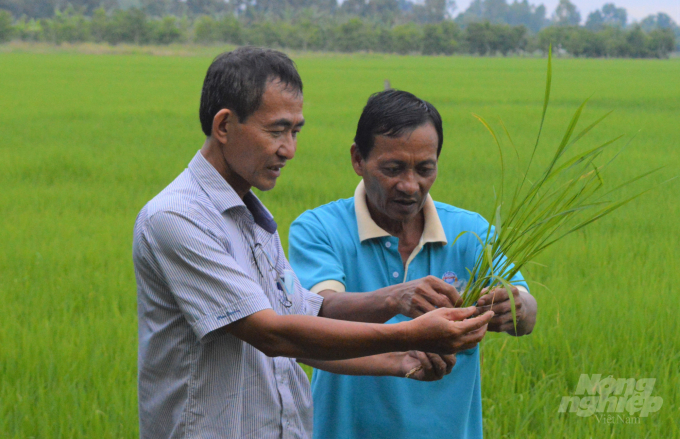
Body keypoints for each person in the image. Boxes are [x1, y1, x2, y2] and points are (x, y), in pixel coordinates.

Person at [132, 47, 495, 439]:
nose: (289, 149)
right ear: (224, 126)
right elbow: (274, 335)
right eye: (276, 130)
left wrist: (398, 339)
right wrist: (412, 333)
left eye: (295, 131)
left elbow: (304, 320)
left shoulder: (251, 219)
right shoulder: (178, 218)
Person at [289, 89, 538, 439]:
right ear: (358, 159)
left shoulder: (471, 233)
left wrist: (513, 306)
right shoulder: (319, 228)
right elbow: (317, 310)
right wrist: (395, 298)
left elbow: (526, 310)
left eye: (425, 169)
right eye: (393, 169)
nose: (410, 185)